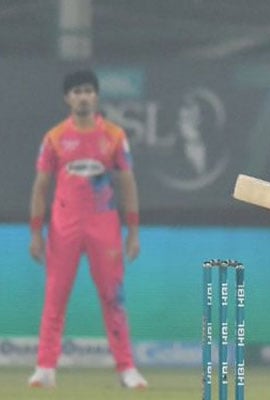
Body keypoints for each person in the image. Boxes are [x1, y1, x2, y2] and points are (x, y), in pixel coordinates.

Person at [27, 69, 148, 389]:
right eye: (77, 91)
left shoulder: (114, 136)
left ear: (96, 96)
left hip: (104, 225)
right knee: (55, 296)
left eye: (88, 91)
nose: (83, 97)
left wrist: (133, 232)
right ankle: (45, 367)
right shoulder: (54, 138)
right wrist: (36, 233)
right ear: (67, 98)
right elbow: (41, 186)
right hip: (64, 226)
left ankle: (126, 368)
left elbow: (128, 184)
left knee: (113, 297)